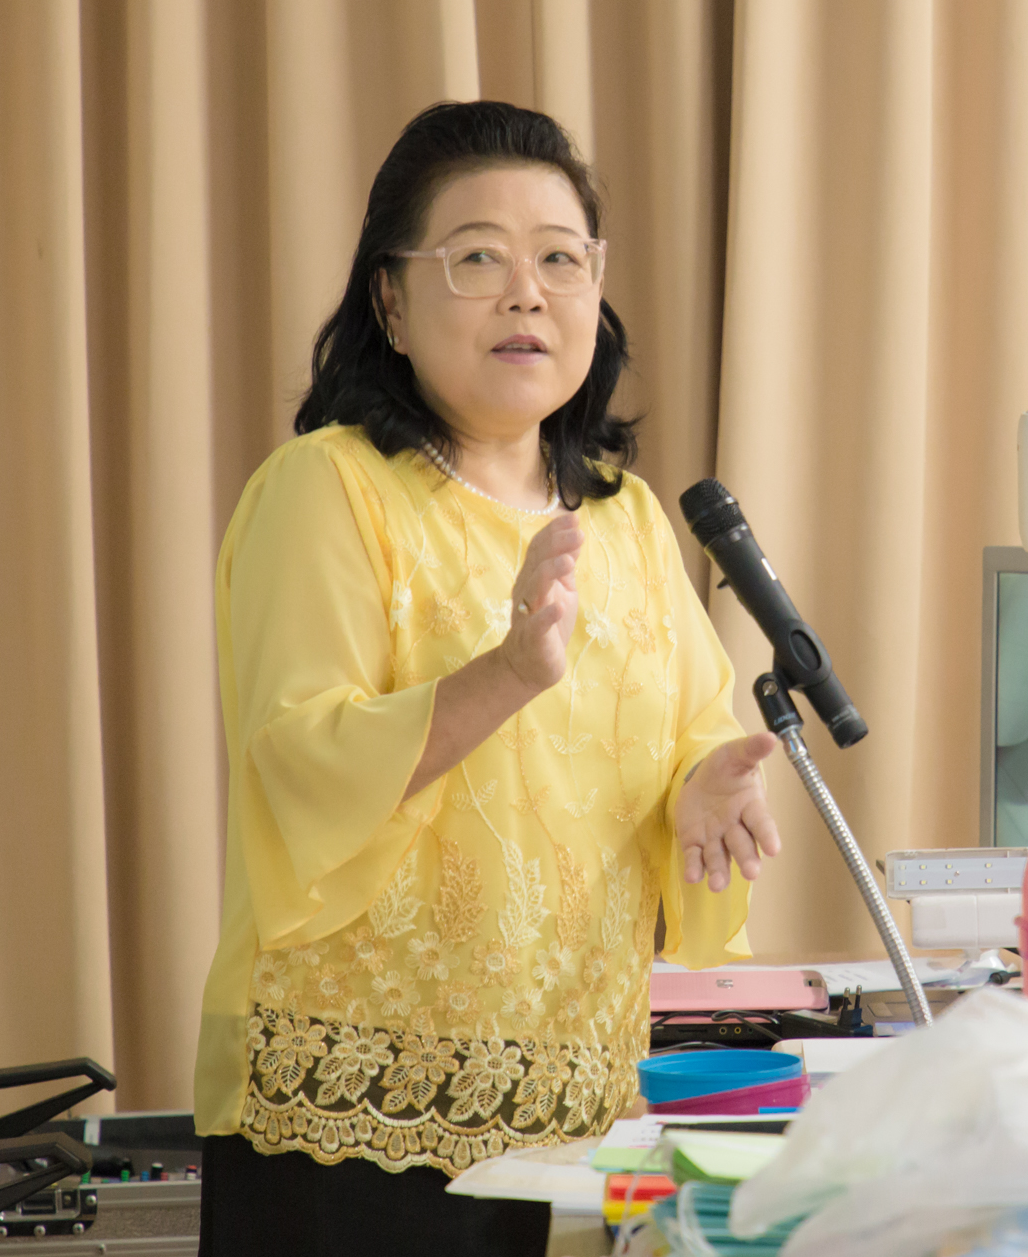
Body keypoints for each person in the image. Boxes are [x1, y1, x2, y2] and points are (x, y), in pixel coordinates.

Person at [194, 100, 783, 1256]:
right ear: (390, 301)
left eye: (559, 260)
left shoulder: (625, 517)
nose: (526, 295)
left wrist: (702, 789)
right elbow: (298, 762)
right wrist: (507, 673)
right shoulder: (327, 487)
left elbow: (686, 733)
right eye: (478, 259)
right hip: (356, 1123)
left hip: (575, 1108)